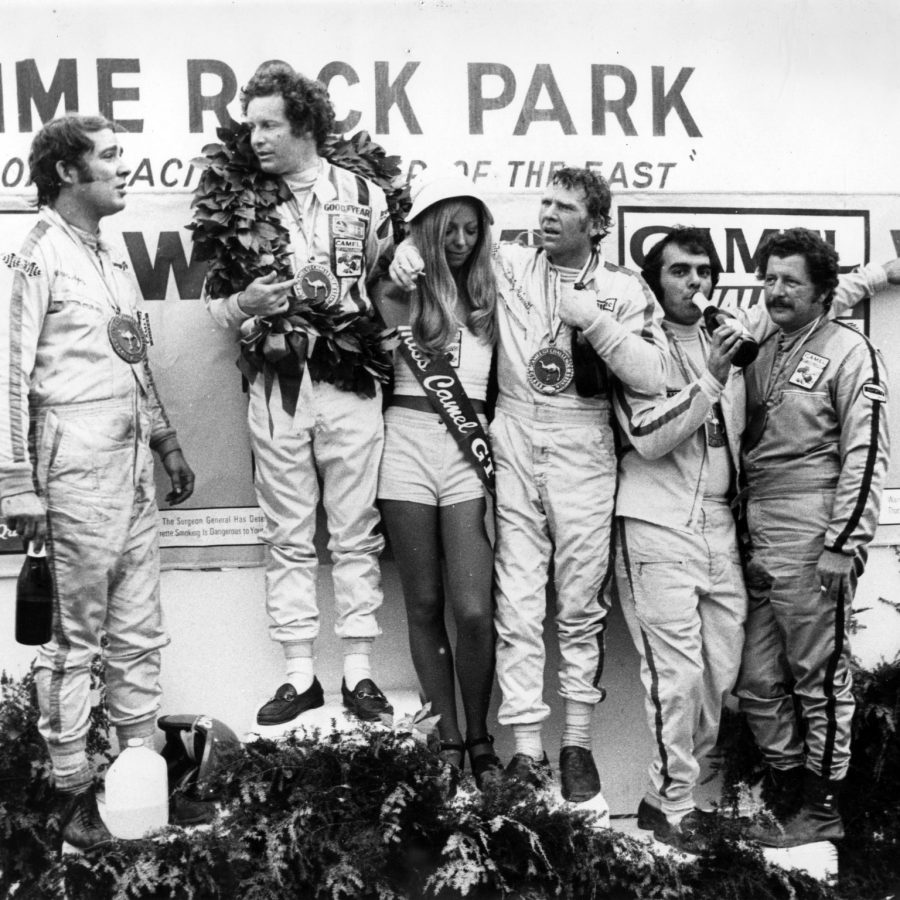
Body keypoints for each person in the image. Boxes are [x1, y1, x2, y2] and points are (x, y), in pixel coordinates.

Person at [393, 167, 668, 804]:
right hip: (515, 430)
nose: (546, 214)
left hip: (584, 440)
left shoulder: (624, 287)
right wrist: (408, 251)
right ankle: (524, 749)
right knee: (515, 601)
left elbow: (655, 374)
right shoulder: (509, 261)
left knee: (578, 602)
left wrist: (594, 323)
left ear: (595, 223)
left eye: (564, 207)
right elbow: (438, 241)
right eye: (543, 202)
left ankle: (575, 741)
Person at [0, 114, 195, 851]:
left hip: (131, 466)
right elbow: (8, 373)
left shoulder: (110, 257)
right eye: (109, 159)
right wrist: (16, 483)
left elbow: (133, 358)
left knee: (138, 631)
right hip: (71, 466)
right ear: (67, 175)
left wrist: (167, 441)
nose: (124, 168)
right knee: (73, 640)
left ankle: (139, 790)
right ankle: (72, 797)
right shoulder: (33, 254)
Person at [202, 62, 395, 726]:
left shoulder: (366, 196)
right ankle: (299, 675)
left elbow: (384, 291)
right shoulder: (238, 201)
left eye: (267, 124)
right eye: (249, 124)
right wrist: (244, 303)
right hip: (279, 382)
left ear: (304, 123)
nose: (253, 137)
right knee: (287, 534)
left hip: (348, 380)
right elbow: (214, 308)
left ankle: (361, 673)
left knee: (355, 530)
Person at [735, 228, 890, 847]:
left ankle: (822, 807)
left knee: (818, 677)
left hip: (813, 527)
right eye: (768, 279)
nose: (775, 291)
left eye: (790, 281)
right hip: (757, 525)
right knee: (754, 679)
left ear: (824, 292)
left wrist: (844, 540)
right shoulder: (764, 342)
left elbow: (867, 451)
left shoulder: (852, 352)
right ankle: (787, 791)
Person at [612, 227, 748, 851]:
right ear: (654, 281)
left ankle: (665, 798)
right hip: (656, 522)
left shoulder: (731, 336)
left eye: (703, 270)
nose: (695, 281)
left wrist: (881, 272)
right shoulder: (638, 345)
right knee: (677, 676)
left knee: (720, 675)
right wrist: (710, 379)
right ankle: (672, 803)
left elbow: (809, 304)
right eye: (679, 271)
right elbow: (647, 434)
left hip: (719, 525)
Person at [374, 172, 501, 788]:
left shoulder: (493, 295)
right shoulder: (400, 286)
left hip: (467, 450)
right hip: (404, 444)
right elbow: (367, 285)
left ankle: (480, 735)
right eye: (447, 227)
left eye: (471, 228)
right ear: (424, 229)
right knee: (422, 602)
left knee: (474, 610)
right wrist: (394, 256)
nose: (460, 239)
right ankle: (447, 737)